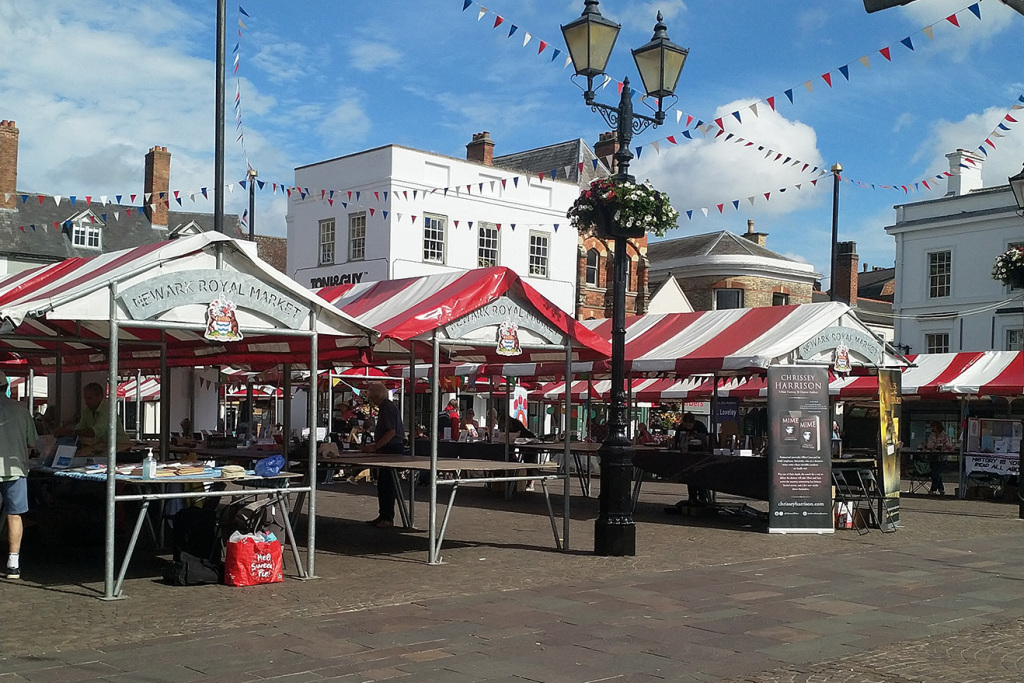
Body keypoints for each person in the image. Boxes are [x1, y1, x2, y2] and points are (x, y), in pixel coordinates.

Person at [0, 371, 39, 580]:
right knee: (14, 515)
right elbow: (32, 443)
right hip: (15, 469)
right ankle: (13, 563)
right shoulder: (20, 410)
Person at [362, 382, 405, 528]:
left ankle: (387, 518)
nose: (371, 401)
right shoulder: (386, 407)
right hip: (389, 449)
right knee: (383, 483)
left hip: (391, 449)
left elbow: (391, 432)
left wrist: (375, 446)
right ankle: (383, 515)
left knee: (387, 484)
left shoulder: (386, 407)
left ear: (376, 396)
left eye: (372, 397)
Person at [56, 382, 130, 456]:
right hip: (104, 448)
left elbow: (95, 432)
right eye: (85, 398)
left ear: (100, 396)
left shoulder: (108, 410)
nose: (86, 402)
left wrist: (71, 432)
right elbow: (80, 428)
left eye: (89, 398)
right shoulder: (87, 411)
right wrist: (65, 434)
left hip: (121, 449)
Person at [924, 420, 952, 495]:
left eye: (934, 427)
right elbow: (929, 445)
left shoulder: (945, 436)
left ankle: (933, 489)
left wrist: (942, 446)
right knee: (935, 473)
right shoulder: (931, 436)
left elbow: (949, 445)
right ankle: (941, 489)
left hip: (942, 457)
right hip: (933, 456)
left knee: (936, 473)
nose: (933, 429)